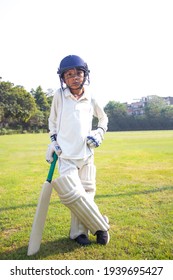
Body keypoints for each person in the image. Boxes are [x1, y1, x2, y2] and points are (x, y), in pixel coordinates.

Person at [46, 55, 110, 246]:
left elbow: (103, 119)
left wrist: (99, 132)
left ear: (85, 75)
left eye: (79, 73)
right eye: (69, 74)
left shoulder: (91, 96)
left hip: (87, 154)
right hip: (66, 155)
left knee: (87, 193)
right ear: (63, 78)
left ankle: (78, 233)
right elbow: (52, 121)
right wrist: (53, 141)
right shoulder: (59, 95)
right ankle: (101, 226)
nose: (75, 77)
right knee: (74, 195)